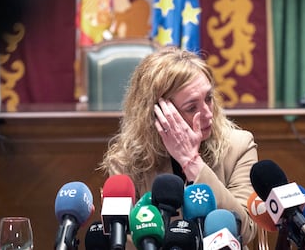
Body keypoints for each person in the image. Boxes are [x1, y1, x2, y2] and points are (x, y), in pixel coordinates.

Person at [100, 46, 259, 248]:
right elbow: (125, 240)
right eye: (192, 107)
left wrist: (192, 162)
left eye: (208, 99)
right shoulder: (127, 162)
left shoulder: (239, 146)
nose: (208, 114)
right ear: (158, 115)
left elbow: (246, 229)